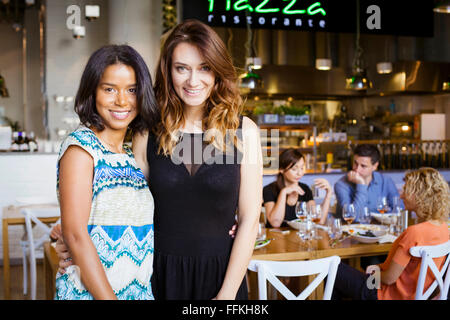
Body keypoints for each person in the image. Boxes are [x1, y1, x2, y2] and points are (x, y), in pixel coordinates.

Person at [132, 19, 262, 300]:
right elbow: (130, 207)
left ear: (218, 72)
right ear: (168, 72)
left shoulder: (245, 131)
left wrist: (225, 296)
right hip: (159, 274)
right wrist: (72, 231)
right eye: (182, 68)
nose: (193, 81)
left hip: (223, 276)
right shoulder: (146, 131)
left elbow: (251, 219)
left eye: (204, 67)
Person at [54, 45, 159, 299]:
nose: (122, 100)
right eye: (109, 89)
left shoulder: (128, 156)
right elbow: (77, 236)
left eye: (132, 90)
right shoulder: (81, 149)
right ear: (92, 91)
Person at [331, 167, 450, 300]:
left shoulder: (414, 232)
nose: (401, 195)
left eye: (406, 190)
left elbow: (389, 278)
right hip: (415, 294)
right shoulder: (444, 228)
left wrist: (373, 273)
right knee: (346, 280)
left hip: (383, 293)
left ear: (420, 195)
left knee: (333, 268)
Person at [263, 148, 332, 227]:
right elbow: (275, 223)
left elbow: (319, 221)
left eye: (302, 168)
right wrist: (283, 192)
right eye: (294, 169)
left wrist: (328, 193)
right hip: (276, 238)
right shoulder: (269, 189)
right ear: (281, 169)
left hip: (299, 237)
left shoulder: (304, 188)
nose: (299, 173)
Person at [334, 144, 401, 219]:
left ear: (375, 166)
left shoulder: (386, 181)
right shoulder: (341, 185)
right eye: (355, 163)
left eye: (363, 166)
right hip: (352, 229)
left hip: (381, 228)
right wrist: (361, 185)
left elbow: (399, 210)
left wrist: (384, 216)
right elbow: (351, 217)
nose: (357, 169)